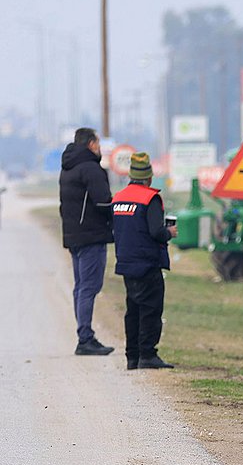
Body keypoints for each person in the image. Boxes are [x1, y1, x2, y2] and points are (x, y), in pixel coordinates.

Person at [111, 153, 178, 370]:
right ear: (149, 177)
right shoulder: (150, 199)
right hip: (147, 263)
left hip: (126, 262)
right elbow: (156, 232)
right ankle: (148, 355)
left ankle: (132, 356)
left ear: (131, 175)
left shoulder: (119, 198)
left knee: (133, 310)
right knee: (150, 310)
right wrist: (169, 232)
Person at [59, 127, 114, 356]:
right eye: (98, 143)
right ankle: (85, 338)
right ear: (91, 143)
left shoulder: (67, 168)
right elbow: (103, 202)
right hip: (91, 235)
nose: (100, 148)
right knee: (90, 287)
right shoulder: (91, 169)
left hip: (73, 235)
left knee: (81, 286)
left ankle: (84, 334)